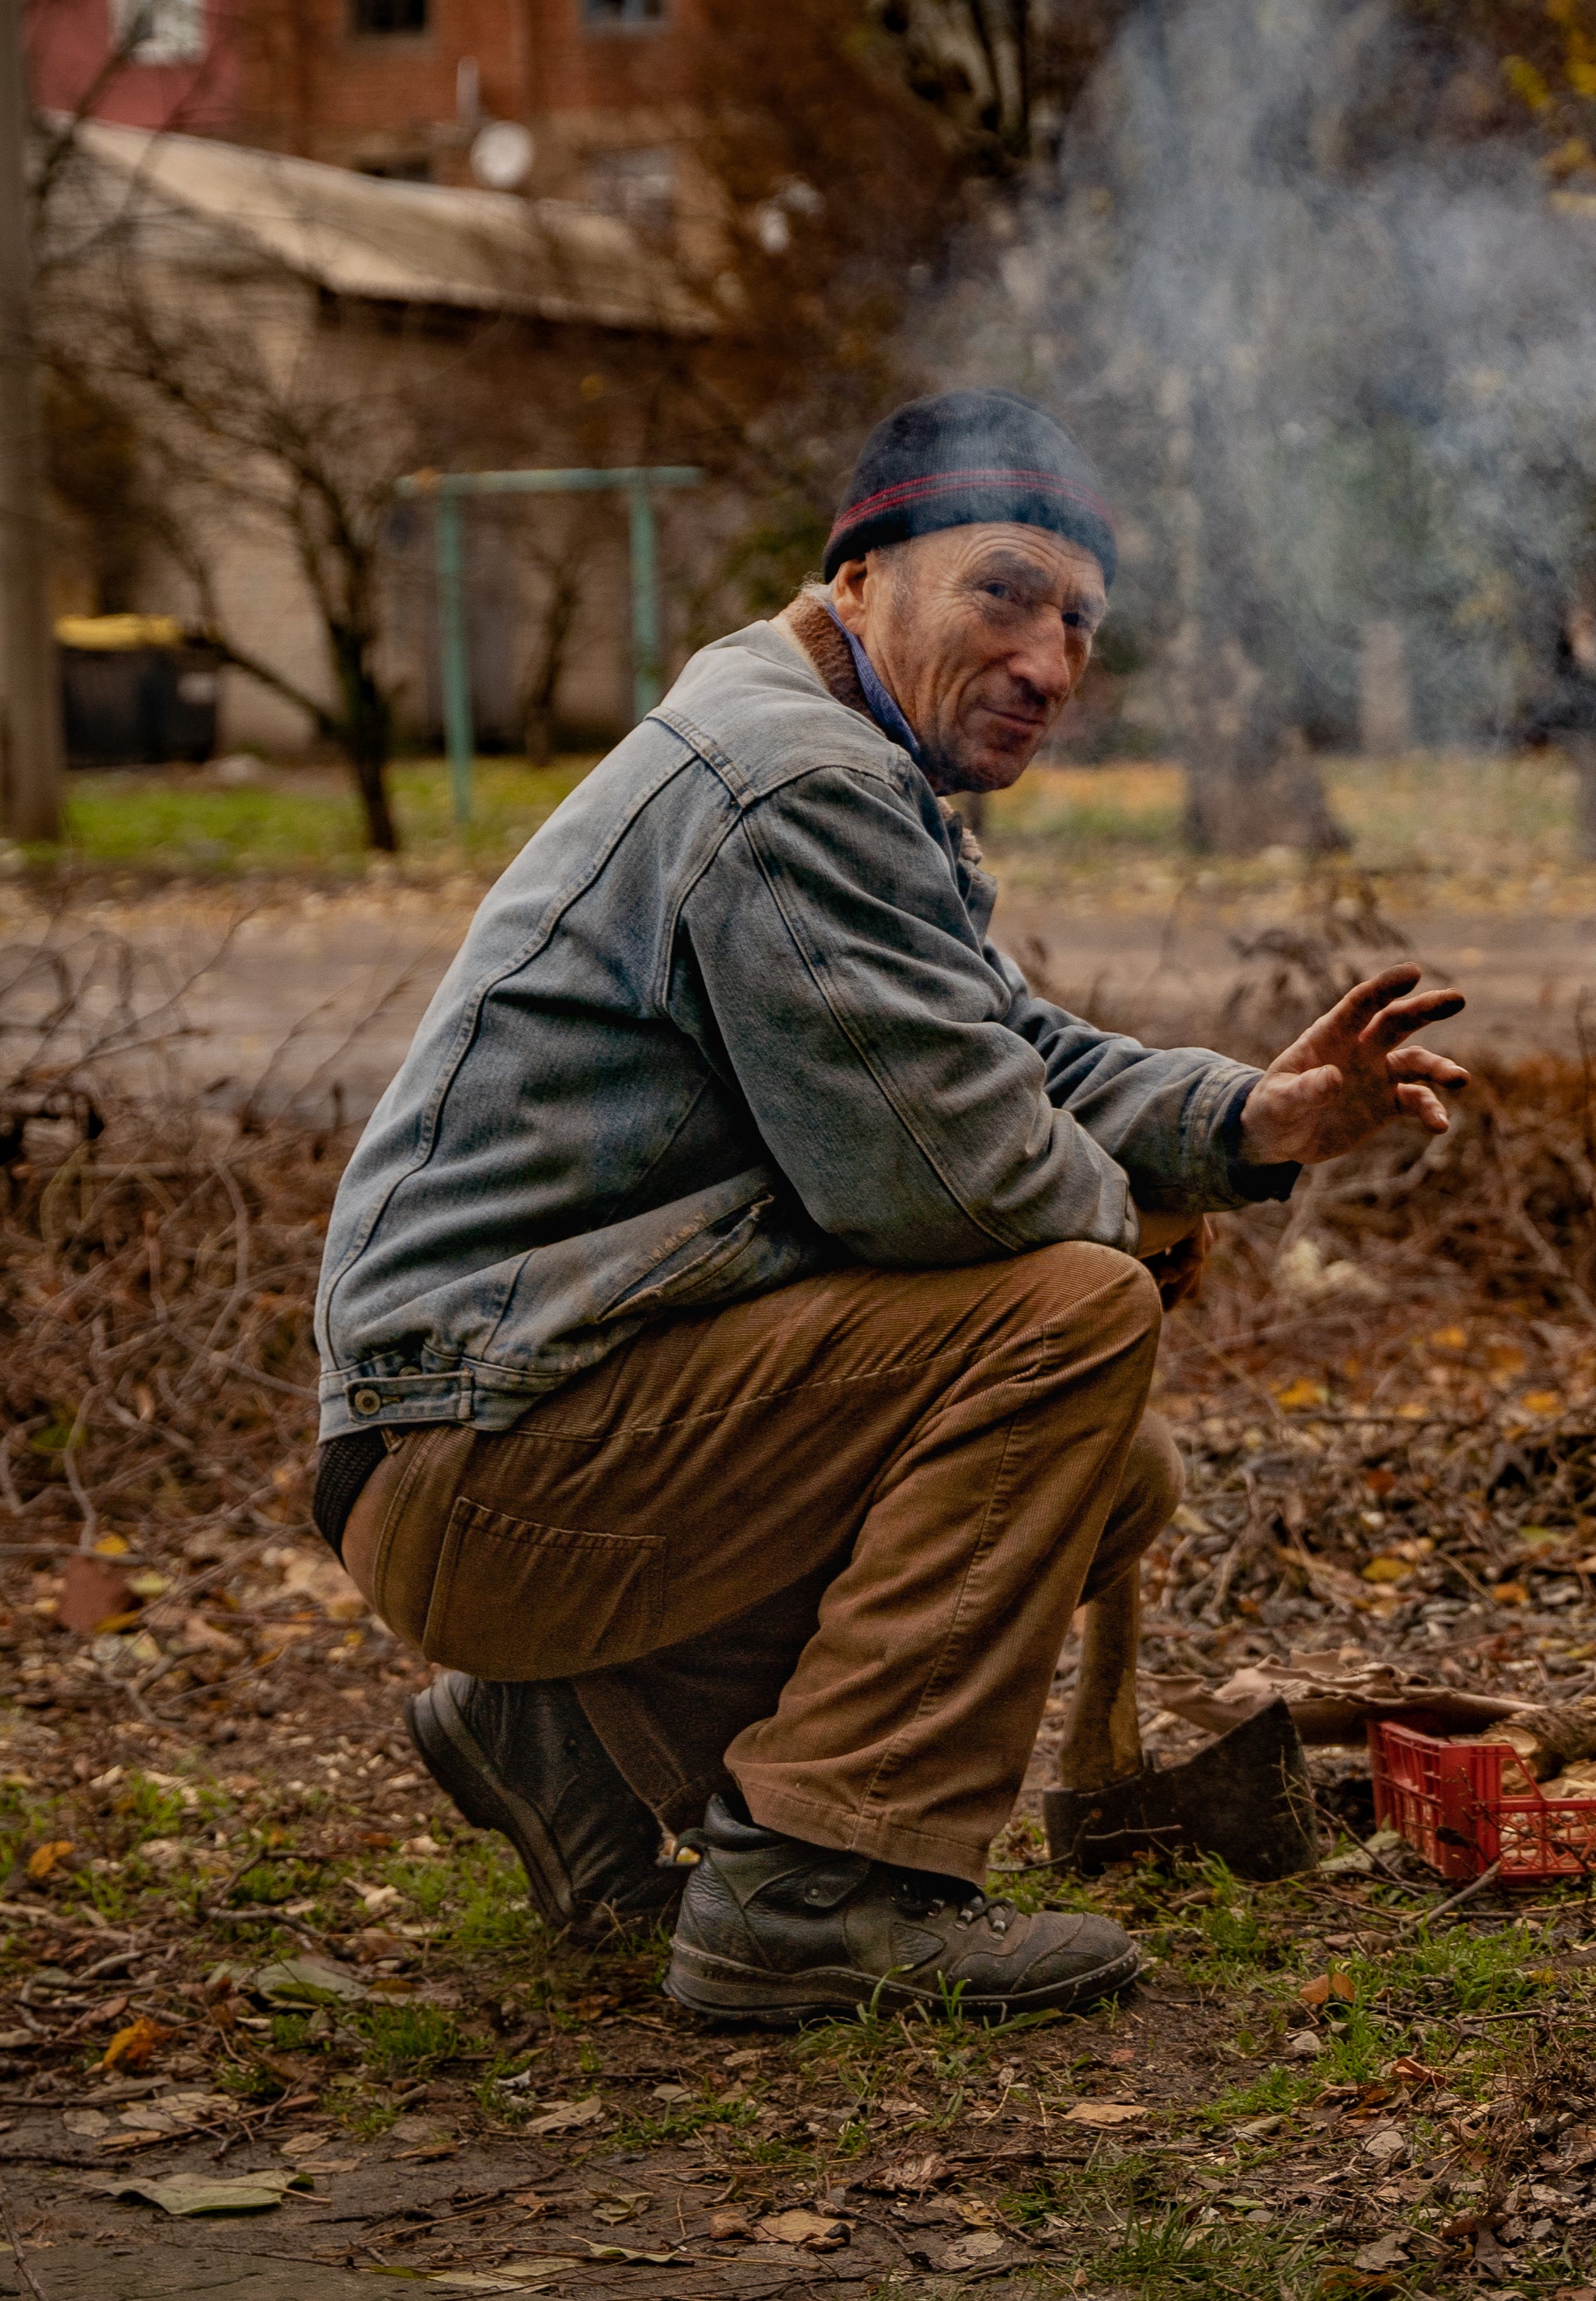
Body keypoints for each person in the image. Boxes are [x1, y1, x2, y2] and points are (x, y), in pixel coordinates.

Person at [309, 389, 1467, 2025]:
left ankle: (565, 1736)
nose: (1050, 665)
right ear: (860, 575)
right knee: (1070, 1315)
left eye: (1079, 625)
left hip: (491, 1435)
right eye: (1003, 592)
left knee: (1107, 1472)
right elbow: (958, 1181)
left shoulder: (825, 752)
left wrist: (1242, 1120)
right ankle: (819, 1889)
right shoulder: (796, 785)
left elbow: (1018, 1054)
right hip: (484, 1457)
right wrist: (1140, 1224)